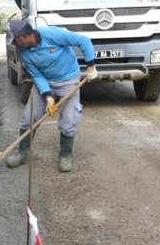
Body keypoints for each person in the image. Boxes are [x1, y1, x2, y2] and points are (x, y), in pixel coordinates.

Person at [6, 20, 98, 172]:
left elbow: (83, 41)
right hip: (45, 83)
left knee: (68, 121)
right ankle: (24, 152)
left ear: (22, 36)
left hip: (68, 81)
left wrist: (91, 66)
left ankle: (65, 154)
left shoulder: (51, 34)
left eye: (14, 40)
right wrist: (48, 96)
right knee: (29, 118)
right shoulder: (24, 52)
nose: (14, 44)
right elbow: (36, 75)